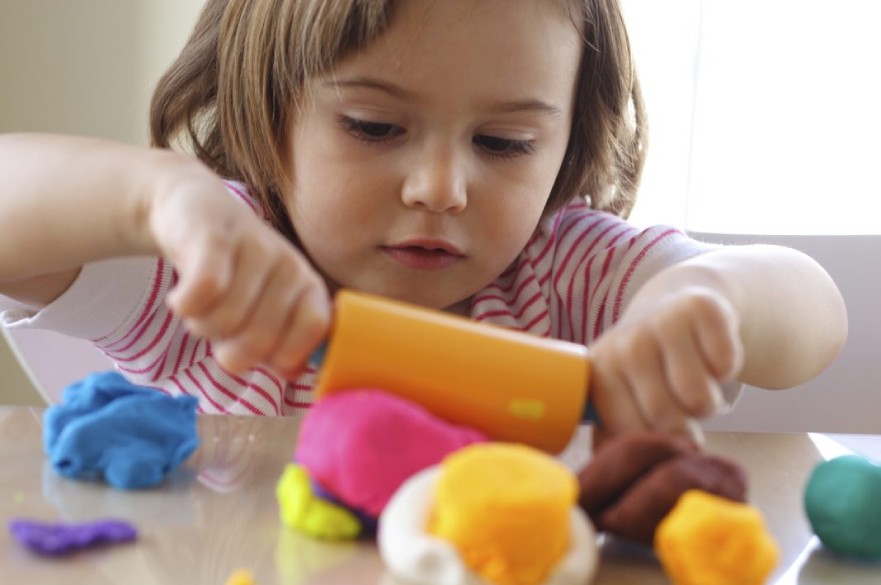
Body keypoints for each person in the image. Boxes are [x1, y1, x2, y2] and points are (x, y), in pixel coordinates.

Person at [0, 0, 847, 442]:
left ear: (567, 142)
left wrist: (707, 298)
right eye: (374, 127)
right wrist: (156, 198)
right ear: (268, 110)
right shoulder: (216, 271)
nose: (441, 187)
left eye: (504, 141)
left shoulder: (565, 274)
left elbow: (815, 313)